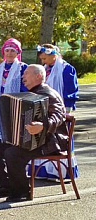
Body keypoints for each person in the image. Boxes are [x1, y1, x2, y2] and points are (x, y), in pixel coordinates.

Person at [0, 64, 68, 202]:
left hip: (47, 143)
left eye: (26, 73)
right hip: (29, 141)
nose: (23, 76)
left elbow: (59, 116)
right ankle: (5, 186)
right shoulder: (30, 94)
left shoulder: (48, 93)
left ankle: (22, 191)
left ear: (38, 76)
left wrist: (43, 126)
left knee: (12, 153)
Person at [31, 43, 79, 180]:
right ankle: (44, 170)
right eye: (42, 59)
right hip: (46, 110)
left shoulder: (66, 69)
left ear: (53, 56)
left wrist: (67, 112)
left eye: (45, 58)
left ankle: (61, 171)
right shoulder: (45, 70)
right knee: (45, 138)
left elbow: (71, 91)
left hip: (60, 111)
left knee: (60, 139)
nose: (43, 61)